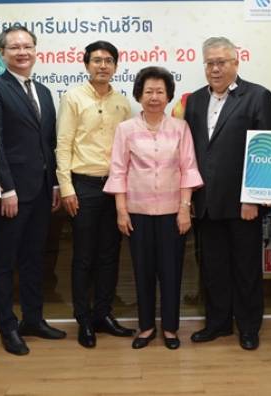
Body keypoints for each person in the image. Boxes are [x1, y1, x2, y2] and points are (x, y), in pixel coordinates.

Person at [184, 37, 271, 350]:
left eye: (221, 62)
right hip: (206, 203)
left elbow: (266, 151)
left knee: (246, 268)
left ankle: (249, 327)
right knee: (213, 268)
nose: (215, 69)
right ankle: (218, 323)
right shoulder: (195, 100)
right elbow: (191, 152)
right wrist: (190, 198)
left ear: (236, 62)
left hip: (243, 204)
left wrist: (253, 197)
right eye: (209, 63)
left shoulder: (258, 96)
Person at [0, 25, 65, 356]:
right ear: (2, 53)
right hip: (11, 194)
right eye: (14, 47)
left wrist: (54, 182)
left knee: (34, 258)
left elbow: (49, 142)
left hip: (41, 191)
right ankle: (7, 327)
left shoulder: (42, 90)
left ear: (35, 50)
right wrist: (6, 189)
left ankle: (33, 319)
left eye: (27, 46)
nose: (22, 52)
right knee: (4, 262)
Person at [104, 66, 203, 350]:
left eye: (160, 91)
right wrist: (121, 210)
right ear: (139, 95)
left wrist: (184, 209)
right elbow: (119, 170)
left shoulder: (181, 128)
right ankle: (146, 326)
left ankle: (170, 328)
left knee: (172, 271)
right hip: (137, 211)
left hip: (173, 212)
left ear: (169, 96)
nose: (154, 97)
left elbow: (188, 168)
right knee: (142, 270)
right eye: (149, 91)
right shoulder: (126, 129)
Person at [55, 40, 134, 348]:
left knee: (109, 255)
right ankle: (84, 319)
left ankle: (103, 314)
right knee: (84, 256)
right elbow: (63, 144)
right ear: (86, 64)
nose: (103, 65)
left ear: (116, 66)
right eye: (97, 60)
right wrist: (67, 188)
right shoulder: (73, 97)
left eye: (109, 60)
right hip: (83, 186)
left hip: (114, 186)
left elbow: (127, 149)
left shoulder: (123, 103)